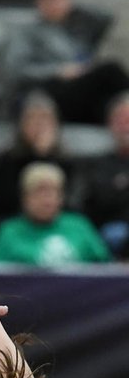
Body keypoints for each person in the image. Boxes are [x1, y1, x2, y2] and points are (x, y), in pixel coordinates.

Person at [0, 0, 129, 125]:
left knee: (111, 103)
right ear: (39, 1)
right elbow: (11, 71)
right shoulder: (25, 33)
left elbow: (106, 18)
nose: (57, 2)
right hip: (50, 92)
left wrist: (73, 7)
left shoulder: (78, 30)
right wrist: (57, 70)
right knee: (110, 70)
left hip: (81, 95)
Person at [0, 161, 111, 266]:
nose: (46, 200)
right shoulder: (8, 232)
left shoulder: (79, 226)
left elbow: (105, 269)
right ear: (25, 197)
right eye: (39, 192)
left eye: (52, 193)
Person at [0, 90, 75, 233]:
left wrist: (45, 157)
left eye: (45, 120)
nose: (39, 126)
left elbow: (67, 201)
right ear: (22, 125)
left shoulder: (64, 160)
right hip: (16, 224)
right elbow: (5, 202)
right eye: (33, 120)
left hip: (57, 226)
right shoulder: (8, 160)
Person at [83, 91, 129, 259]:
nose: (126, 126)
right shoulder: (100, 164)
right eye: (121, 120)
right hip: (115, 232)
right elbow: (103, 201)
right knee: (115, 234)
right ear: (110, 125)